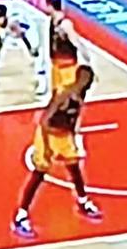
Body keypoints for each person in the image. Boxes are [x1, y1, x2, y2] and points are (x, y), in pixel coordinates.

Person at [13, 65, 101, 236]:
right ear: (79, 79)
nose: (88, 84)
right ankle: (21, 215)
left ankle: (83, 201)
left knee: (74, 168)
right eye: (86, 80)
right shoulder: (64, 94)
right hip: (48, 134)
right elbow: (45, 120)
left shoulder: (80, 95)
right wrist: (50, 143)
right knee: (39, 174)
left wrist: (73, 134)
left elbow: (74, 116)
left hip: (64, 134)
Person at [0, 2, 46, 93]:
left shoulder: (13, 22)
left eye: (0, 17)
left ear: (5, 16)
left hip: (28, 33)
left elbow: (23, 36)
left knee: (36, 56)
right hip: (10, 33)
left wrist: (31, 48)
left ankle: (42, 82)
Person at [47, 0, 87, 97]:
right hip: (56, 65)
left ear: (50, 6)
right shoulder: (52, 21)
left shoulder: (65, 24)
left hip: (67, 67)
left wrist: (87, 61)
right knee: (56, 95)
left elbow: (76, 42)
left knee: (67, 96)